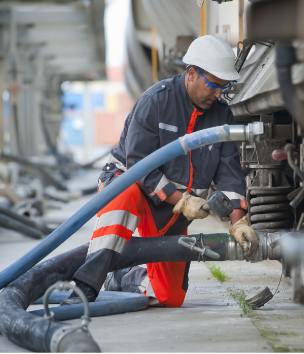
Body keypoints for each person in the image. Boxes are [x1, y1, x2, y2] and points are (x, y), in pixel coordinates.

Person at [61, 36, 258, 307]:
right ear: (191, 74)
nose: (218, 94)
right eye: (214, 85)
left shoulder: (221, 115)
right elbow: (139, 165)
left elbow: (229, 173)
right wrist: (184, 200)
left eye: (224, 88)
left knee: (170, 297)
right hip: (135, 189)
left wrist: (239, 222)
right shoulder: (155, 101)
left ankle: (122, 275)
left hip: (172, 211)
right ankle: (86, 286)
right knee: (124, 190)